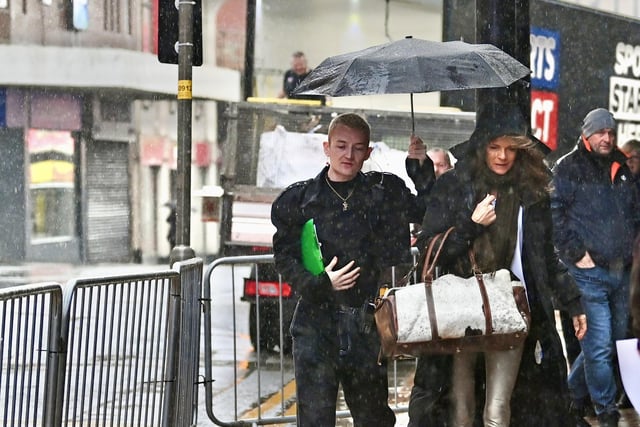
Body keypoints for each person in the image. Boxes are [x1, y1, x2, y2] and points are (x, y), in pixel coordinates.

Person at [408, 101, 587, 427]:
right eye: (494, 147)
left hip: (510, 309)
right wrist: (471, 225)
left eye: (510, 148)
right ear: (481, 148)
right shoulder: (454, 186)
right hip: (461, 310)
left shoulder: (530, 192)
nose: (502, 156)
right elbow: (430, 248)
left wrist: (573, 302)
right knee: (460, 406)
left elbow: (545, 256)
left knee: (499, 408)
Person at [271, 112, 434, 426]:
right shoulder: (300, 199)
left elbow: (428, 211)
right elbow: (285, 258)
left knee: (373, 417)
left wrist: (420, 169)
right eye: (341, 146)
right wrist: (320, 283)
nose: (349, 155)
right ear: (326, 148)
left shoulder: (384, 191)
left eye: (358, 148)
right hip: (316, 324)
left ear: (369, 152)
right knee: (316, 418)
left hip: (364, 323)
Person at [551, 108, 640, 427]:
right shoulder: (568, 167)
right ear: (586, 134)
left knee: (608, 345)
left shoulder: (621, 166)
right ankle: (606, 412)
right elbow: (556, 217)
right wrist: (576, 254)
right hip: (587, 274)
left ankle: (571, 395)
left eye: (611, 132)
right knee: (599, 347)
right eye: (601, 132)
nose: (607, 137)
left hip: (620, 270)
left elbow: (633, 211)